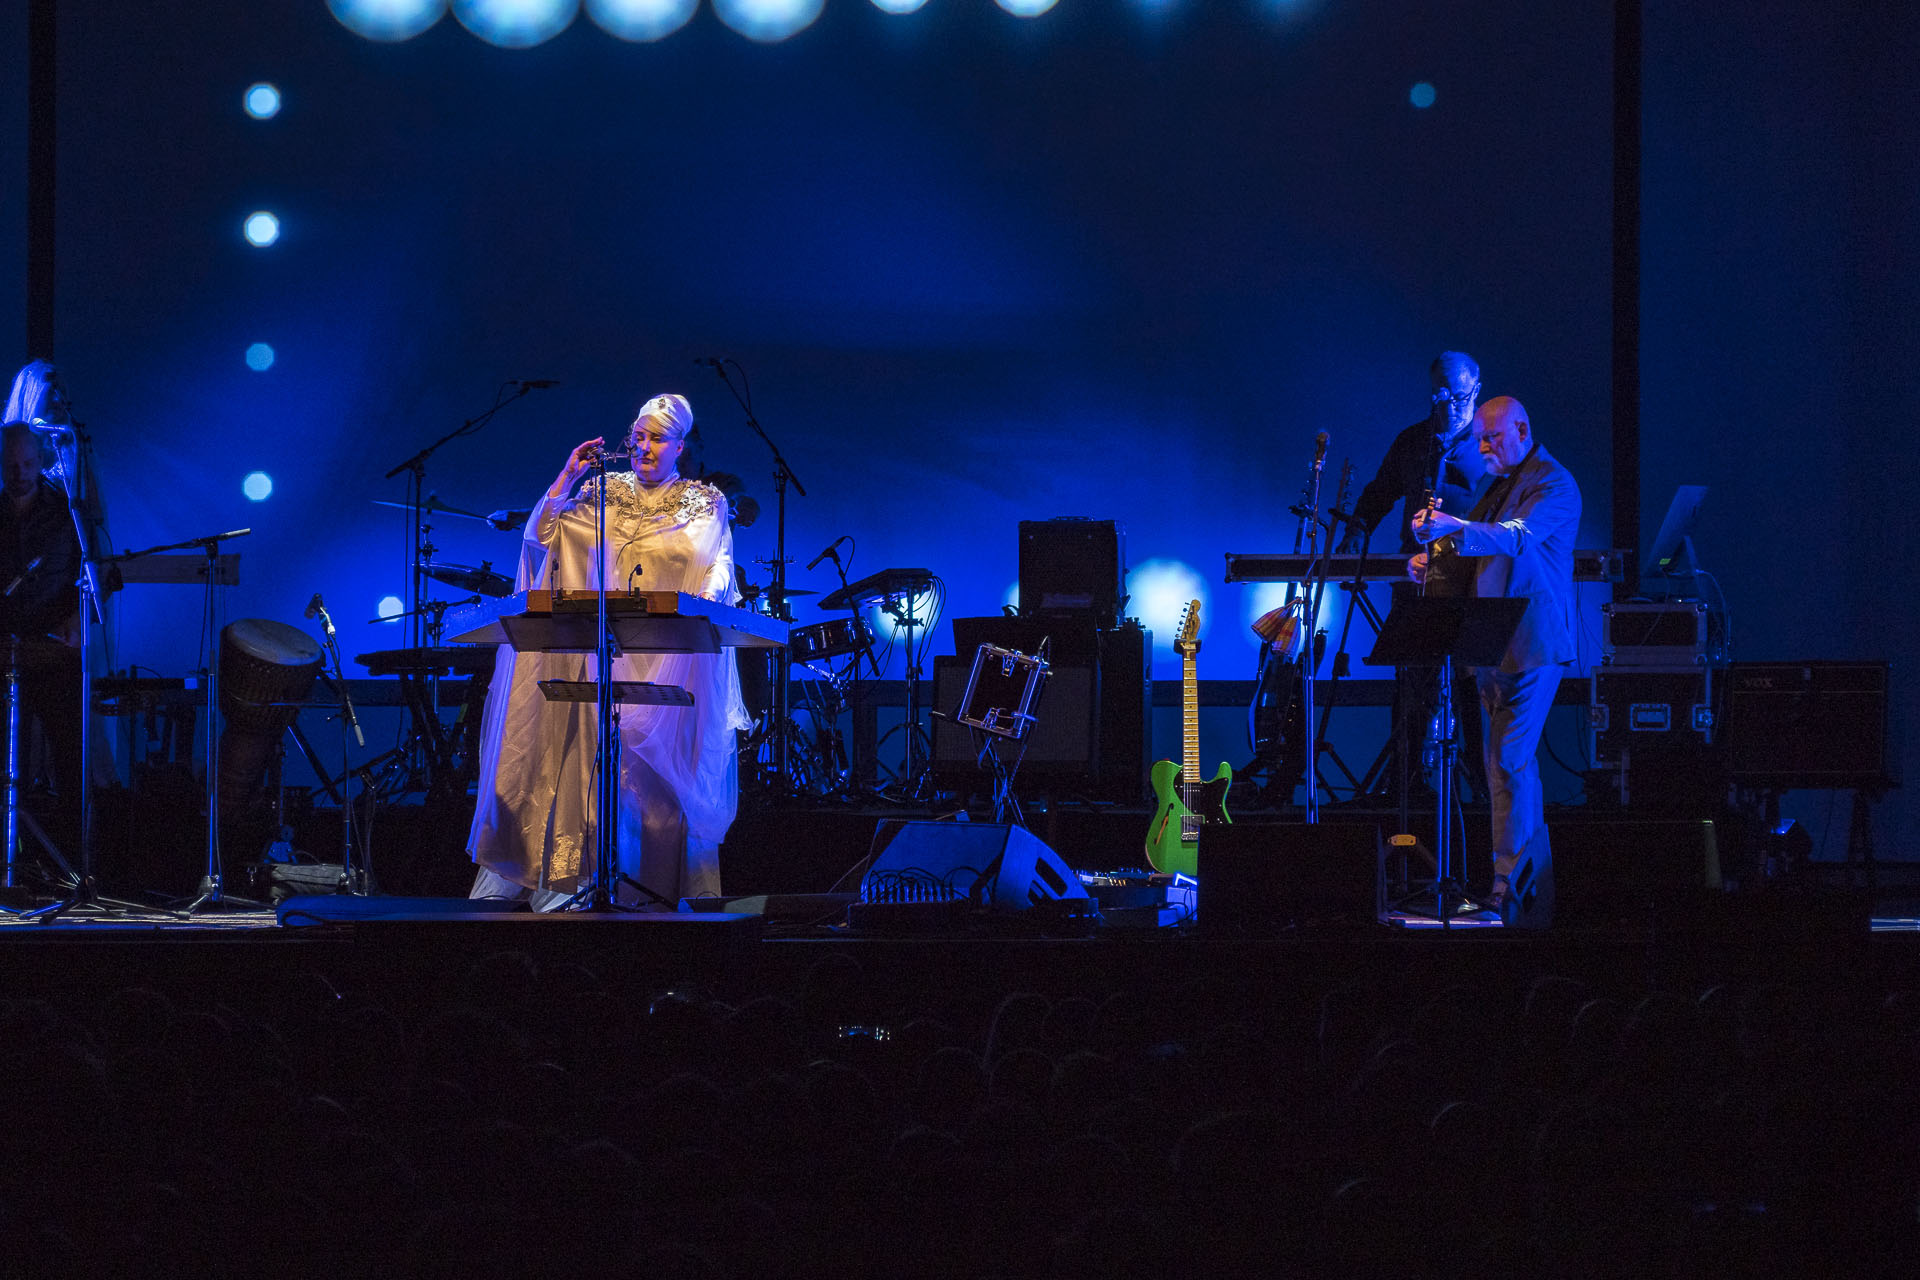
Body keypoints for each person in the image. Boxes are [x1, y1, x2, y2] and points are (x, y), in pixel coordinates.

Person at [466, 394, 749, 910]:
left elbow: (718, 564)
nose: (643, 447)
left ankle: (647, 889)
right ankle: (585, 882)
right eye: (637, 436)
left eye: (657, 438)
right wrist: (566, 479)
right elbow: (542, 539)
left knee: (652, 784)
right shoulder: (601, 492)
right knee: (597, 769)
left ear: (680, 446)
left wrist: (704, 604)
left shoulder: (704, 501)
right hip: (602, 651)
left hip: (668, 654)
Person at [1410, 396, 1581, 924]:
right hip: (1493, 646)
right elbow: (1472, 548)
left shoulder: (1554, 483)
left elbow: (1517, 538)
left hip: (1531, 645)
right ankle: (1521, 883)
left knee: (1507, 761)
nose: (1483, 446)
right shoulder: (1497, 486)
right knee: (1505, 768)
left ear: (1523, 429)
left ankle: (1510, 886)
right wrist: (1429, 556)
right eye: (1480, 438)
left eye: (1493, 436)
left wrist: (1452, 527)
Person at [1347, 352, 1489, 802]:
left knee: (1472, 687)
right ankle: (1406, 786)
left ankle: (1483, 791)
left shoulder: (1488, 445)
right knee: (1412, 685)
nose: (1445, 400)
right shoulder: (1413, 441)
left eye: (1455, 390)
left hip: (1474, 582)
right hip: (1417, 581)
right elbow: (1381, 491)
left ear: (1475, 388)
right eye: (1438, 390)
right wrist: (1358, 526)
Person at [1, 421, 84, 848]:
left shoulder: (65, 513)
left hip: (53, 653)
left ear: (40, 461)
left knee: (70, 757)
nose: (20, 474)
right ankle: (11, 858)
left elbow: (90, 575)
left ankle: (69, 861)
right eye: (12, 465)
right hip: (4, 650)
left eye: (28, 464)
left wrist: (75, 618)